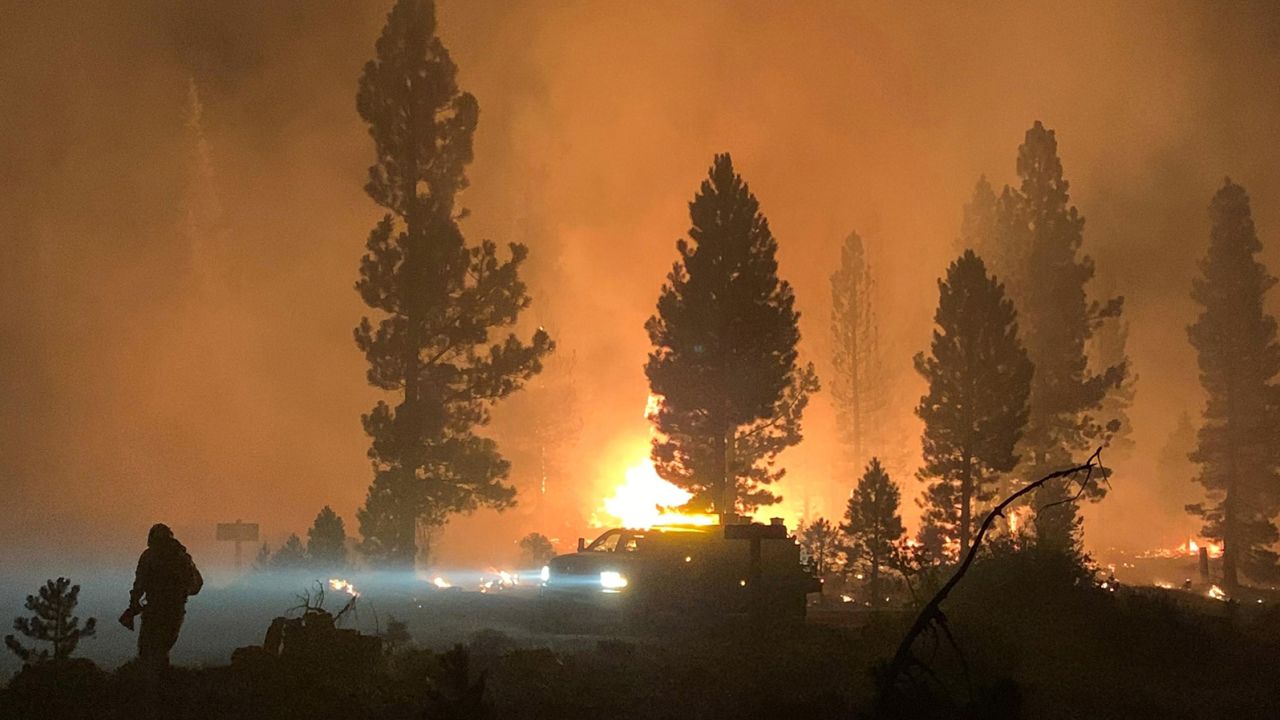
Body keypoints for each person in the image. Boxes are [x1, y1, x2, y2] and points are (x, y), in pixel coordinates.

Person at [121, 523, 203, 669]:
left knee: (148, 652)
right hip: (175, 610)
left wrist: (133, 606)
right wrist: (181, 593)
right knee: (162, 649)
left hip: (155, 609)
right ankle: (163, 684)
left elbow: (139, 585)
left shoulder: (149, 556)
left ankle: (152, 686)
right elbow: (197, 584)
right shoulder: (182, 557)